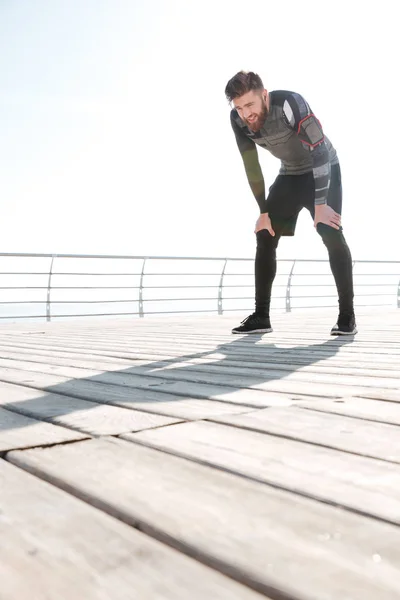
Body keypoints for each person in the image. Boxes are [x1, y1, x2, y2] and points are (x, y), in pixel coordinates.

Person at [225, 71, 357, 336]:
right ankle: (261, 316)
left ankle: (347, 316)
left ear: (264, 95)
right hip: (290, 174)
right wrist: (263, 211)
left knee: (329, 230)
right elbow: (251, 164)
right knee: (265, 232)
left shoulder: (289, 103)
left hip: (323, 167)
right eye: (239, 108)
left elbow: (318, 150)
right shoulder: (237, 121)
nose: (246, 114)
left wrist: (321, 205)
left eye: (250, 105)